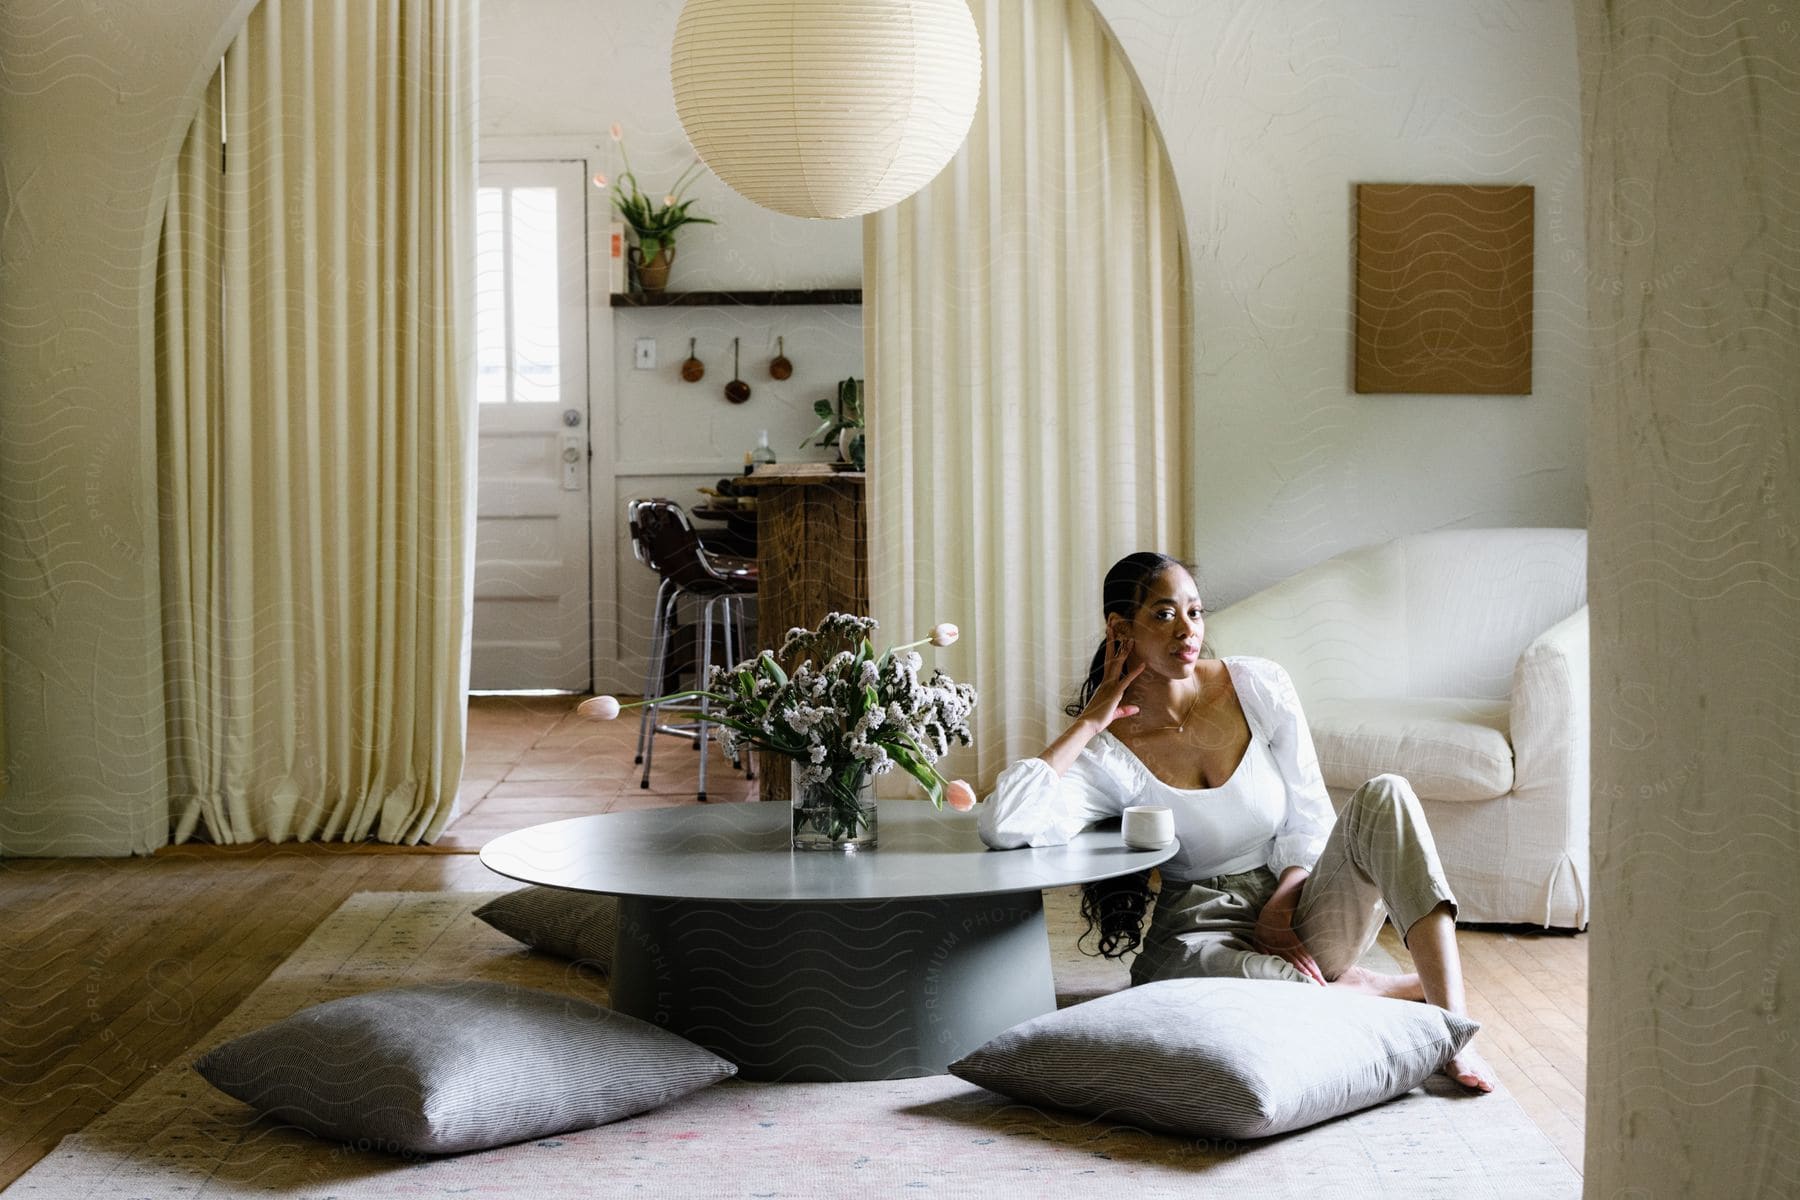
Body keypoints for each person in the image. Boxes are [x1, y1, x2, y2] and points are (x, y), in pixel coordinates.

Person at [978, 551, 1496, 1092]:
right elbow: (1005, 824)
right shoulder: (1111, 754)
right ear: (1120, 628)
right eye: (1163, 614)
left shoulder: (1256, 686)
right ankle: (1372, 990)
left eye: (1195, 612)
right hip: (1200, 931)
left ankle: (1453, 1029)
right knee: (1197, 994)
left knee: (1389, 794)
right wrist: (1091, 719)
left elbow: (1310, 811)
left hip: (1298, 910)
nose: (1186, 630)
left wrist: (1287, 892)